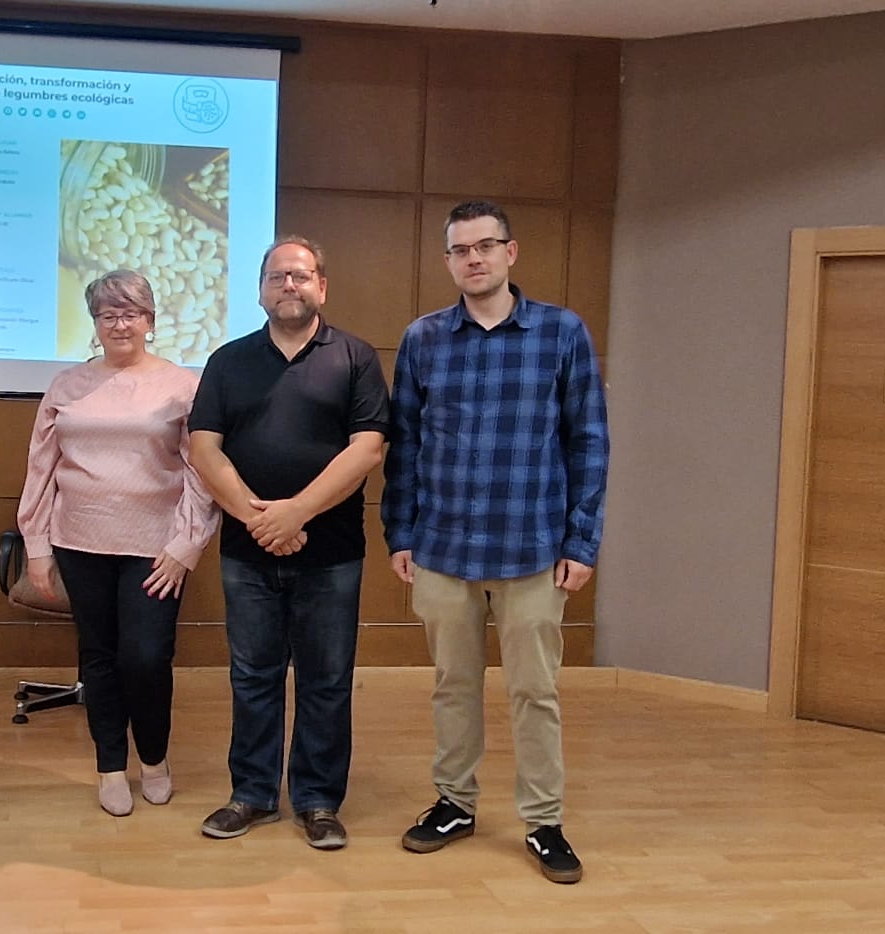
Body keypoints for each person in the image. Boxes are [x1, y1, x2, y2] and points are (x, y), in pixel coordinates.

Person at [382, 200, 609, 883]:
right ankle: (455, 803)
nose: (473, 259)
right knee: (454, 686)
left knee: (534, 692)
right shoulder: (423, 339)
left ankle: (544, 822)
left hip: (534, 547)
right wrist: (401, 531)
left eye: (485, 246)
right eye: (460, 250)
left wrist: (582, 540)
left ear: (511, 252)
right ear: (448, 260)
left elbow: (588, 442)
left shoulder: (562, 333)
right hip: (442, 549)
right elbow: (407, 446)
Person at [187, 236, 389, 850]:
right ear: (261, 288)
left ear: (321, 286)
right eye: (277, 276)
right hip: (247, 552)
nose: (289, 285)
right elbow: (203, 447)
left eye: (300, 276)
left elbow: (369, 448)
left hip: (331, 553)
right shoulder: (228, 360)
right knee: (252, 676)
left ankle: (319, 800)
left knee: (327, 680)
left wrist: (296, 511)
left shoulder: (354, 357)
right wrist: (257, 519)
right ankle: (250, 794)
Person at [16, 270, 220, 816]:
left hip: (156, 548)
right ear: (96, 323)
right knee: (99, 658)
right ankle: (110, 766)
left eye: (130, 313)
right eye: (108, 314)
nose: (119, 323)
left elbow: (202, 471)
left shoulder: (182, 385)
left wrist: (187, 544)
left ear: (150, 322)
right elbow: (41, 466)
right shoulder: (67, 385)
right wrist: (37, 546)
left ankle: (153, 758)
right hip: (79, 541)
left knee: (147, 657)